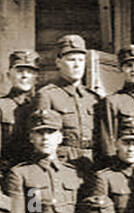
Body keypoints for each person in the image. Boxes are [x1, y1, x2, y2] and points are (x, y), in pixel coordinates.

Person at [4, 109, 81, 213]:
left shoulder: (73, 173)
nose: (45, 138)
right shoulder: (21, 173)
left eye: (50, 132)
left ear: (60, 137)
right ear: (31, 138)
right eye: (39, 133)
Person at [34, 34, 100, 171]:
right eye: (71, 60)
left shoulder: (93, 98)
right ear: (58, 62)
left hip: (91, 160)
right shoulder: (47, 94)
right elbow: (39, 135)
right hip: (62, 161)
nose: (77, 65)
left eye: (81, 60)